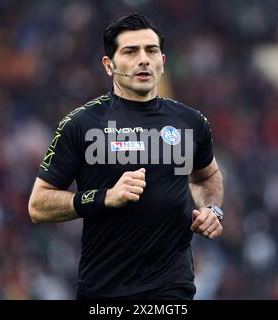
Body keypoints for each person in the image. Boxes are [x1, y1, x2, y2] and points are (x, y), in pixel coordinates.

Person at [28, 13, 224, 300]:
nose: (143, 59)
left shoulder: (191, 122)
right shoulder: (81, 124)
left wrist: (212, 210)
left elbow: (207, 176)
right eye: (130, 51)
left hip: (172, 287)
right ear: (109, 65)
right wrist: (104, 197)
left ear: (162, 62)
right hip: (104, 290)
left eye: (151, 50)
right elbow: (38, 205)